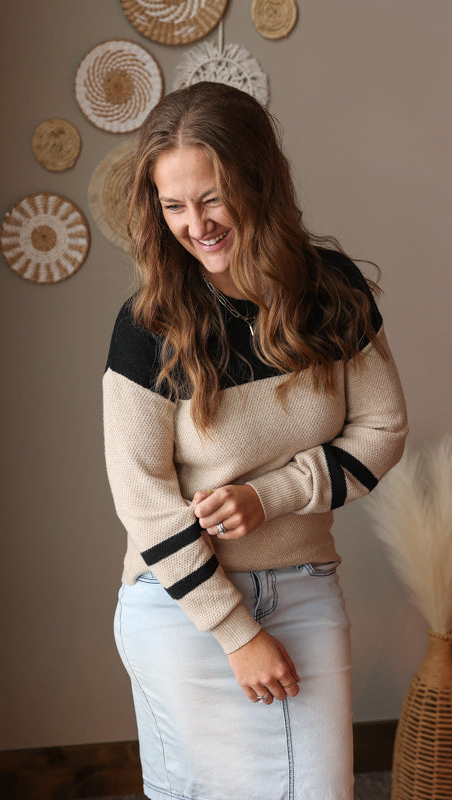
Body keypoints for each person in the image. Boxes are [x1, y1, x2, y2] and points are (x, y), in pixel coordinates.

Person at [103, 82, 408, 800]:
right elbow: (143, 501)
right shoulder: (147, 325)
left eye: (213, 199)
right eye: (173, 206)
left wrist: (270, 496)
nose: (195, 225)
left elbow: (383, 430)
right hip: (183, 608)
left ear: (258, 183)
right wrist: (236, 633)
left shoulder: (330, 291)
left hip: (304, 589)